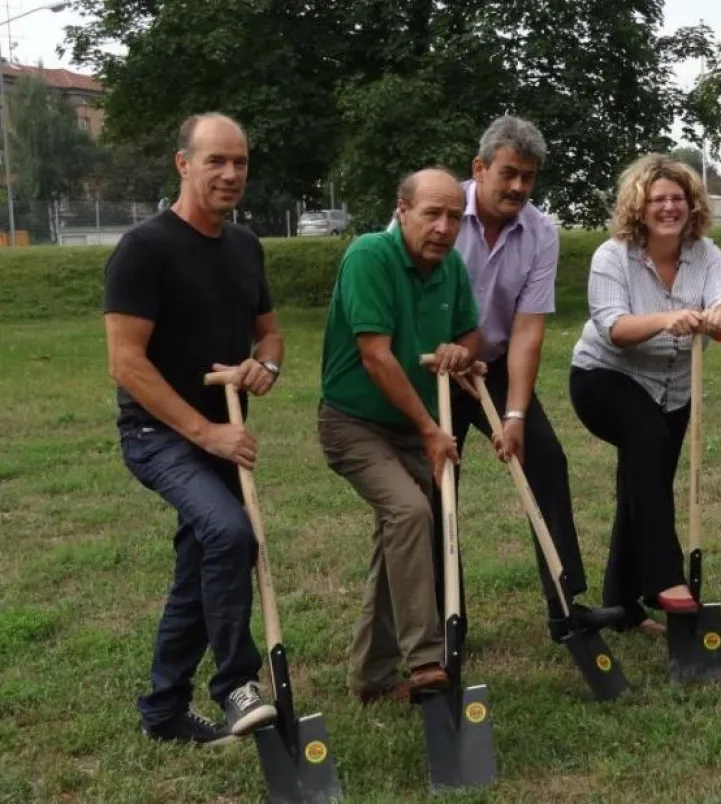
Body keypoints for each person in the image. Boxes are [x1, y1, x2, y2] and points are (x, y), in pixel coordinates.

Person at [387, 115, 624, 643]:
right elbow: (400, 302)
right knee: (436, 484)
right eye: (509, 173)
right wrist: (437, 363)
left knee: (546, 460)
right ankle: (446, 619)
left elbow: (527, 330)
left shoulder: (540, 232)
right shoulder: (435, 214)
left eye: (529, 177)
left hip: (490, 366)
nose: (519, 187)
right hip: (428, 372)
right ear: (481, 168)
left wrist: (515, 414)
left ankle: (566, 605)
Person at [103, 112, 280, 745]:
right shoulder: (144, 249)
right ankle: (236, 682)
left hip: (223, 434)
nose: (231, 174)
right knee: (232, 536)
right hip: (160, 436)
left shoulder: (244, 245)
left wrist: (267, 366)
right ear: (184, 164)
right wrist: (205, 434)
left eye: (240, 162)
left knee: (200, 562)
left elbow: (270, 332)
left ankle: (163, 710)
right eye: (216, 161)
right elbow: (126, 363)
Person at [318, 167, 481, 705]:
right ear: (402, 210)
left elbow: (469, 333)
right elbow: (376, 356)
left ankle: (371, 677)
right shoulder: (369, 256)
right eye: (431, 213)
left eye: (454, 216)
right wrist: (432, 430)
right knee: (411, 515)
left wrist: (462, 349)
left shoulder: (451, 266)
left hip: (409, 428)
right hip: (353, 424)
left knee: (401, 540)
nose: (443, 227)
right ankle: (428, 660)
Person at [569, 154, 721, 634]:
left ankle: (622, 607)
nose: (669, 207)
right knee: (648, 445)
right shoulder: (612, 256)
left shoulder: (705, 253)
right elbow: (615, 328)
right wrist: (668, 318)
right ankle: (664, 579)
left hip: (675, 389)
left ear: (691, 205)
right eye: (658, 199)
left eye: (677, 199)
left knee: (642, 486)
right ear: (639, 207)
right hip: (605, 378)